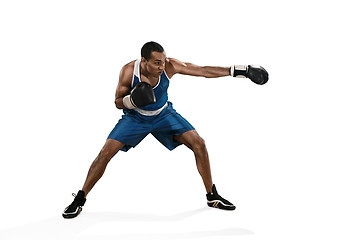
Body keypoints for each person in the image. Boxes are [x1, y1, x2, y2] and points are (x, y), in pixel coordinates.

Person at [62, 41, 268, 219]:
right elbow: (117, 102)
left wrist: (239, 70)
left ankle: (212, 196)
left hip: (164, 115)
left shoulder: (170, 66)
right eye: (156, 62)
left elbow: (203, 71)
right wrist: (132, 100)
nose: (162, 66)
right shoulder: (128, 71)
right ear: (144, 61)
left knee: (199, 144)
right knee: (105, 153)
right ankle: (80, 199)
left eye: (163, 61)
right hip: (135, 118)